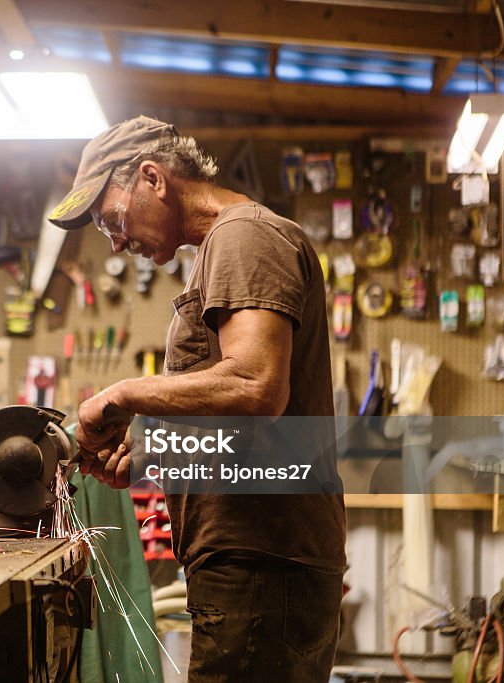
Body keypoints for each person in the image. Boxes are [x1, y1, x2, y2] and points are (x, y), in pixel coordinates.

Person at [47, 116, 347, 682]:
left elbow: (255, 385)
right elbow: (246, 426)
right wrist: (151, 459)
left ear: (153, 179)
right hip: (256, 560)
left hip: (261, 560)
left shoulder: (243, 235)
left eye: (111, 219)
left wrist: (123, 395)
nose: (114, 241)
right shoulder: (224, 247)